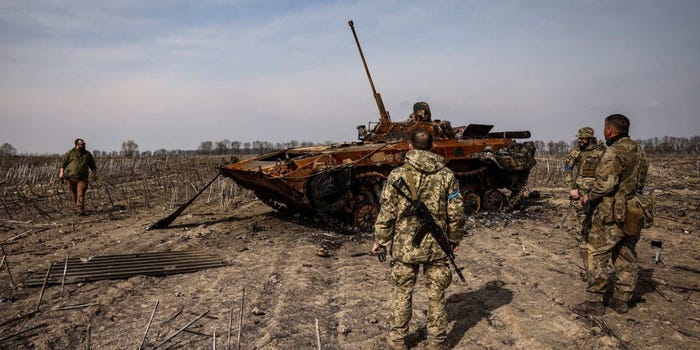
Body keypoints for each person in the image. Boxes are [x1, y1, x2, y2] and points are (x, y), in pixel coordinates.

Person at [372, 129, 466, 350]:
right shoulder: (446, 175)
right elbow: (456, 211)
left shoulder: (397, 176)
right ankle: (437, 342)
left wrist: (381, 240)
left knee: (402, 292)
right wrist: (454, 238)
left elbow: (387, 212)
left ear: (410, 146)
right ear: (432, 146)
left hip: (405, 247)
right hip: (437, 245)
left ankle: (398, 340)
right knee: (436, 294)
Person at [573, 114, 648, 316]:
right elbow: (640, 180)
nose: (604, 132)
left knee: (597, 253)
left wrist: (588, 196)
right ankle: (621, 300)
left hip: (612, 212)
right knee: (626, 253)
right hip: (634, 209)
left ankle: (595, 302)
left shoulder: (613, 152)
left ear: (610, 130)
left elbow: (606, 184)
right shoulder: (639, 151)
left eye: (605, 128)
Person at [563, 127, 606, 271]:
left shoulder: (602, 152)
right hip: (580, 194)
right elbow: (568, 170)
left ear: (590, 138)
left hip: (598, 196)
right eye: (579, 138)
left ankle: (597, 264)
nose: (580, 141)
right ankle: (587, 266)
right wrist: (571, 188)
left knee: (598, 228)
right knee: (582, 229)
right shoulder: (575, 152)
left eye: (582, 138)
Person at [59, 138, 97, 215]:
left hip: (83, 178)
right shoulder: (70, 153)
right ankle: (76, 208)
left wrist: (94, 174)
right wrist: (61, 173)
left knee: (81, 193)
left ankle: (80, 209)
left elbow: (93, 166)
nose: (84, 145)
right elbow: (63, 164)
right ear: (77, 145)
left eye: (84, 144)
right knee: (74, 194)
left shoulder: (87, 154)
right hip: (72, 178)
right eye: (82, 144)